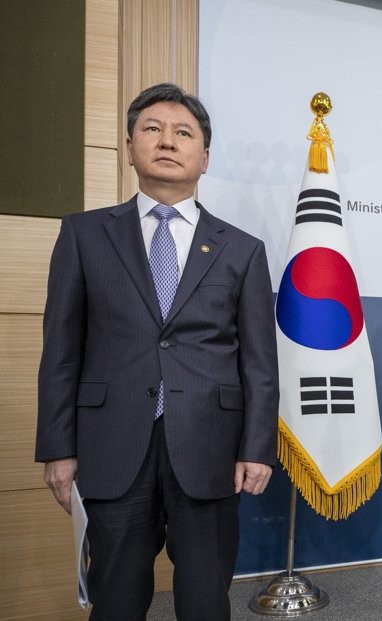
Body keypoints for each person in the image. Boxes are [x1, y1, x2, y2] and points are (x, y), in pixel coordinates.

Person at [35, 82, 280, 620]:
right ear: (129, 147)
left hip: (209, 448)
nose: (167, 141)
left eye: (183, 133)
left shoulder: (242, 250)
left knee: (205, 599)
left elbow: (259, 362)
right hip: (112, 444)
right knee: (116, 598)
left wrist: (257, 447)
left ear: (205, 157)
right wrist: (57, 446)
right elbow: (61, 351)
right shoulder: (83, 235)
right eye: (152, 129)